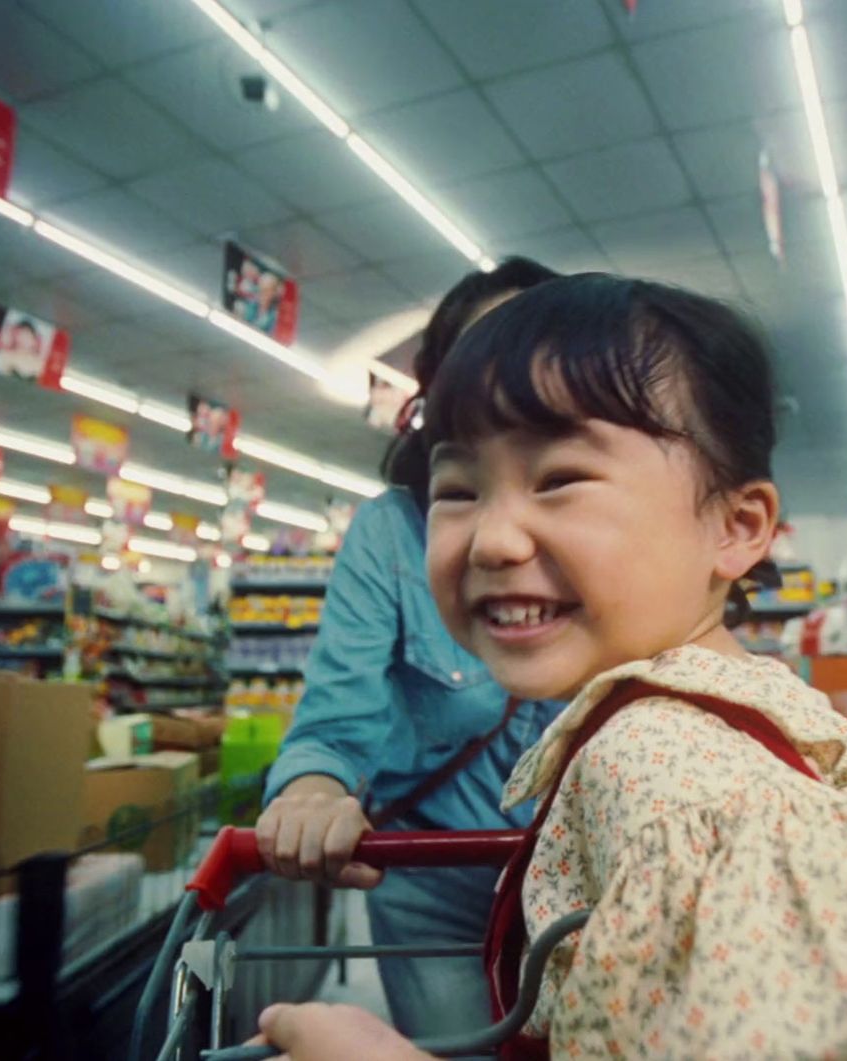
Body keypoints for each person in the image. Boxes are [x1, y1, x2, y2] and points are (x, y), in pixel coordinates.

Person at [257, 274, 847, 1058]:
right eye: (459, 488)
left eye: (560, 477)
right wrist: (312, 784)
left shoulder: (669, 777)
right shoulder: (695, 718)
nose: (494, 541)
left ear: (737, 526)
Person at [252, 257, 562, 1043]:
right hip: (434, 882)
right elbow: (333, 722)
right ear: (436, 398)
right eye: (483, 357)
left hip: (583, 877)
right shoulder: (391, 536)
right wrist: (313, 793)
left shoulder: (609, 519)